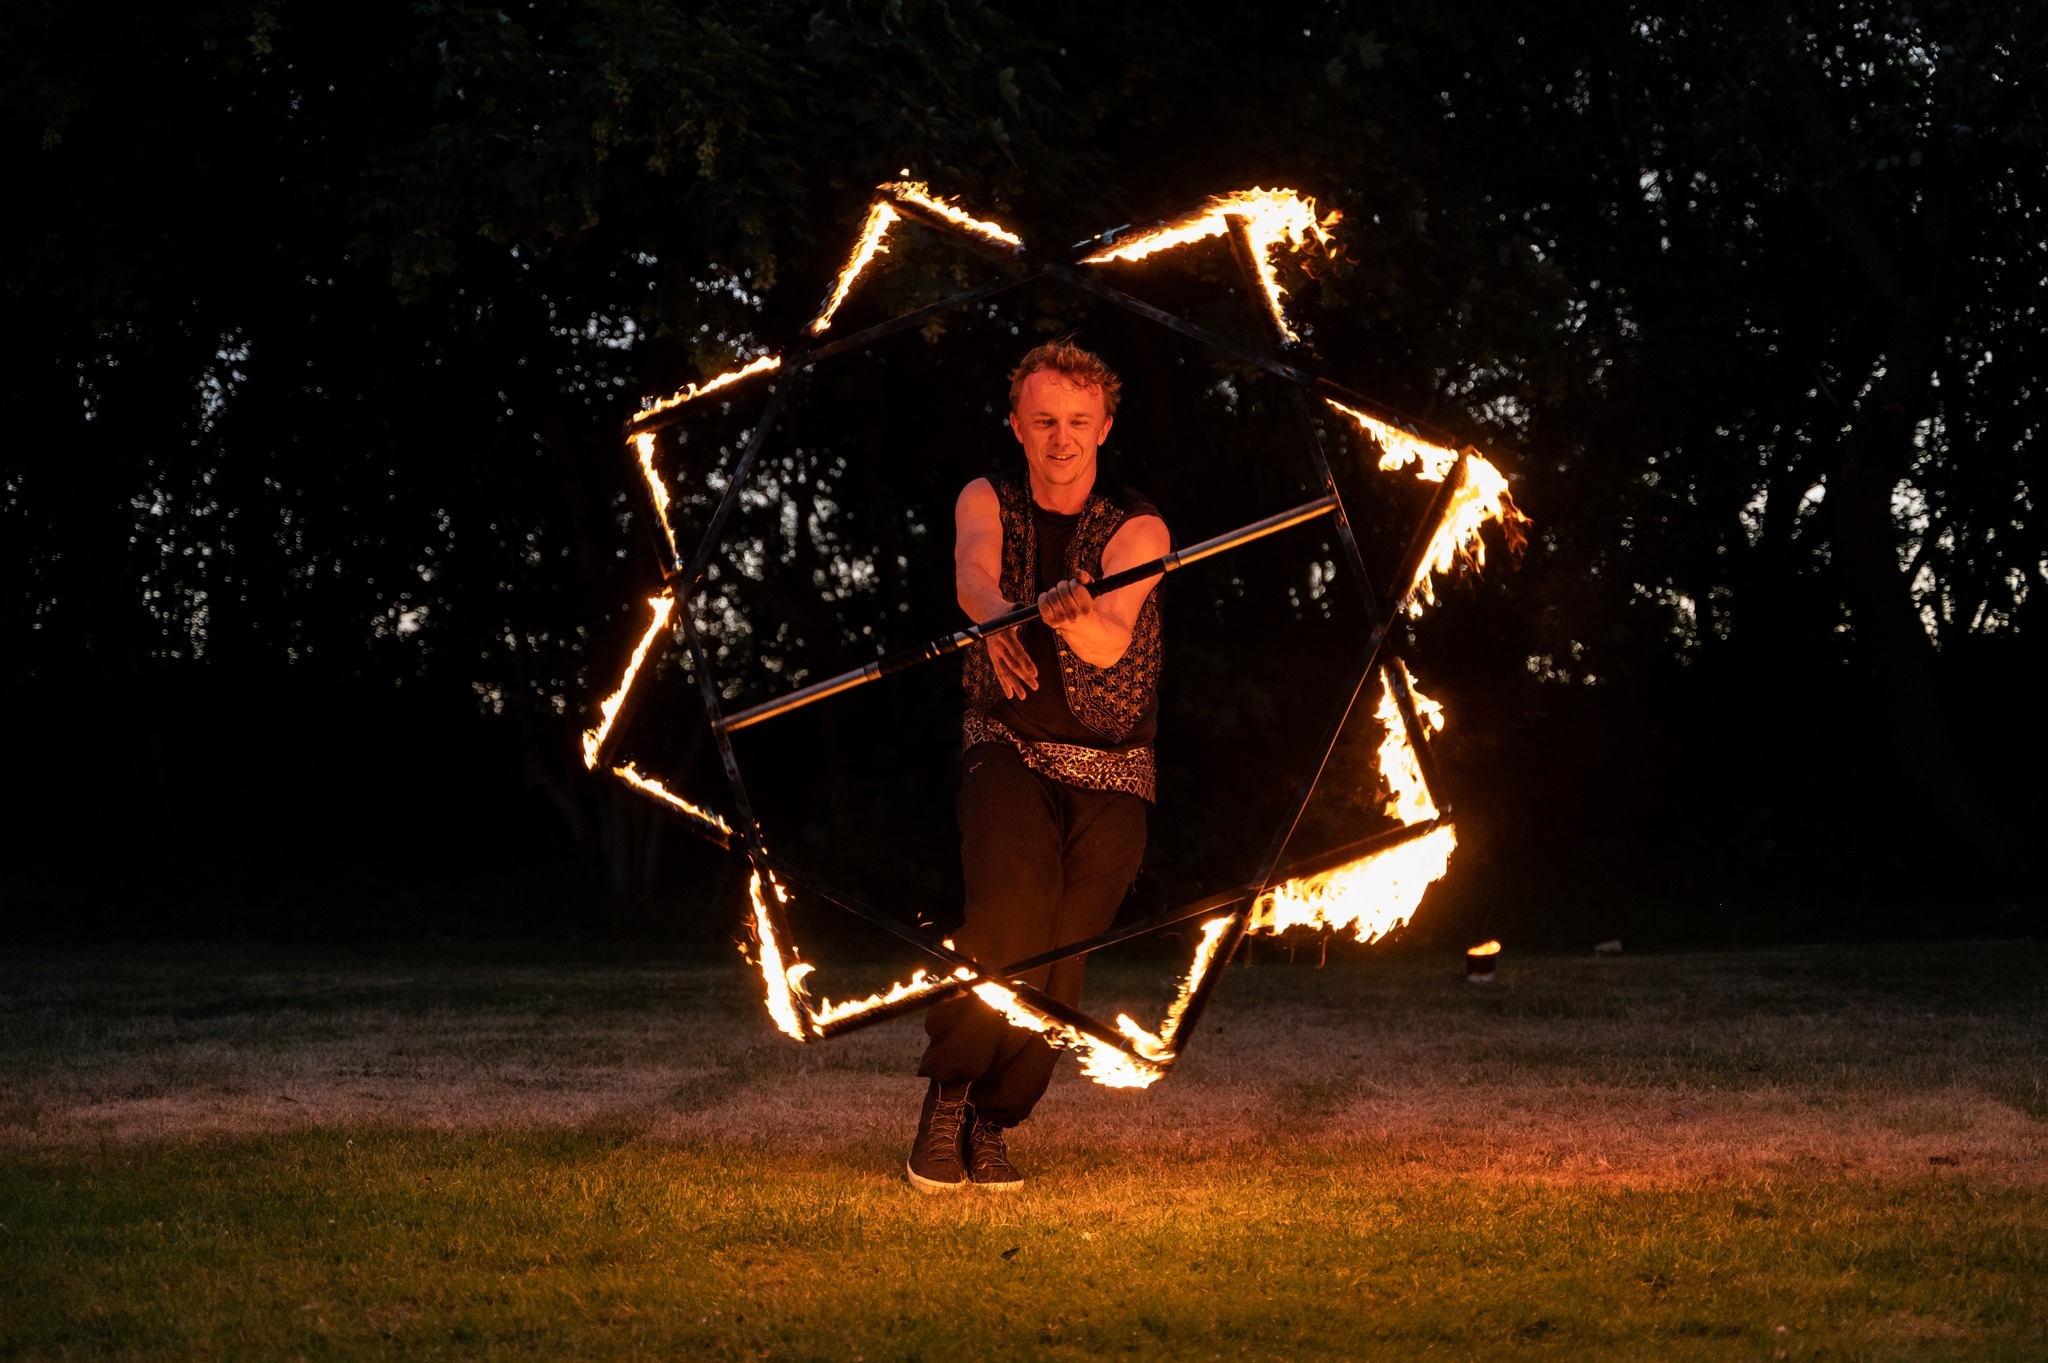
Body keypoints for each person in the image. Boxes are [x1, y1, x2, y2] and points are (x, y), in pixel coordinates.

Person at [907, 341, 1169, 1192]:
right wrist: (1002, 617)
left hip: (1114, 769)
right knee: (1009, 916)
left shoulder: (1140, 526)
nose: (1061, 439)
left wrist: (1065, 615)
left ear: (1106, 427)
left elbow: (1110, 635)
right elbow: (972, 574)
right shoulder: (988, 495)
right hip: (1008, 745)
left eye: (1079, 423)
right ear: (1015, 424)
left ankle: (993, 1121)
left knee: (1062, 961)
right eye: (1045, 421)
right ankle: (948, 1098)